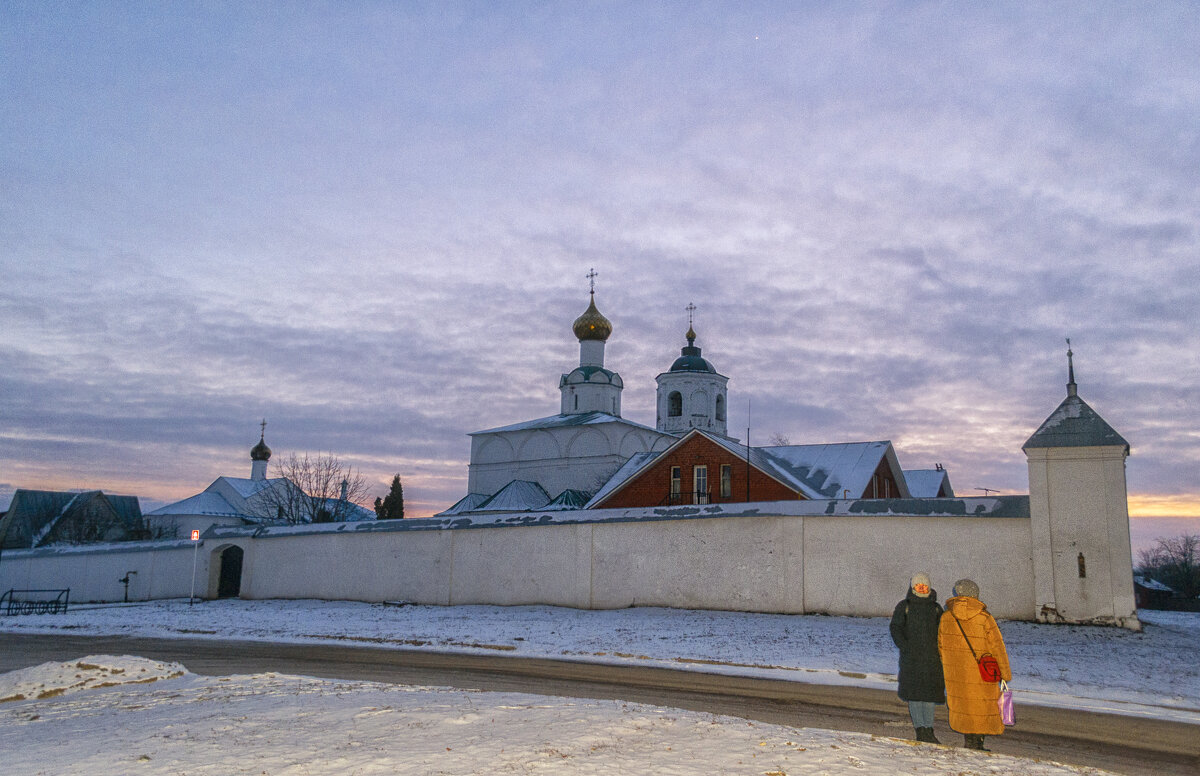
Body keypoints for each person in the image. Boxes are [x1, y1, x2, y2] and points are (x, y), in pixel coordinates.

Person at [938, 578, 1012, 751]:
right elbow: (997, 648)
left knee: (965, 707)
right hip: (982, 673)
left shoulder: (946, 617)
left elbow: (941, 647)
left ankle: (970, 741)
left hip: (957, 674)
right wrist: (1005, 674)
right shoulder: (984, 618)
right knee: (982, 706)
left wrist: (951, 665)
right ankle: (977, 743)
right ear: (975, 595)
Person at [889, 572, 945, 744]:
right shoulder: (904, 607)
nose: (922, 589)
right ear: (913, 588)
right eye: (918, 586)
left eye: (924, 586)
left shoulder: (936, 608)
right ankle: (920, 730)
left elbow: (943, 632)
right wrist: (905, 647)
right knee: (915, 695)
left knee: (928, 695)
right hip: (911, 660)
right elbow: (896, 628)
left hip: (932, 660)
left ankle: (929, 729)